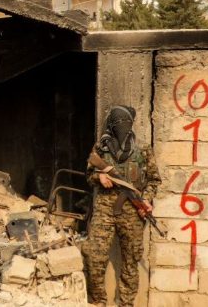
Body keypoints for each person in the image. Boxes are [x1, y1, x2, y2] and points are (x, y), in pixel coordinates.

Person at [81, 105, 161, 307]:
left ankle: (126, 303)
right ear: (111, 124)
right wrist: (99, 177)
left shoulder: (142, 149)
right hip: (105, 209)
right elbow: (89, 176)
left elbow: (154, 180)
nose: (121, 126)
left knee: (131, 260)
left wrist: (146, 200)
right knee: (94, 254)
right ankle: (98, 300)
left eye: (125, 122)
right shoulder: (101, 148)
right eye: (117, 122)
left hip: (133, 211)